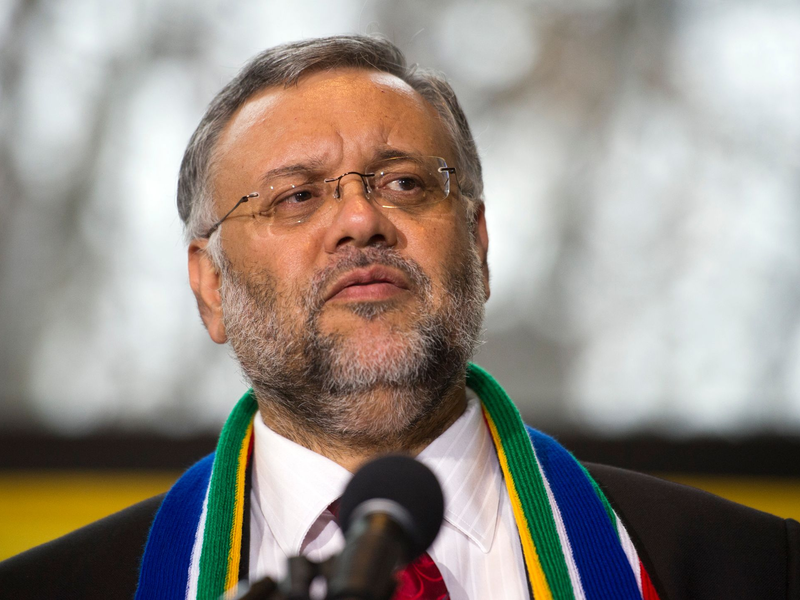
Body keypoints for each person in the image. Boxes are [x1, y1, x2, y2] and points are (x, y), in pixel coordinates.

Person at [1, 35, 797, 600]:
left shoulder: (754, 570)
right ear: (209, 286)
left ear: (479, 248)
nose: (361, 222)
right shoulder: (50, 589)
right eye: (298, 195)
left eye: (406, 184)